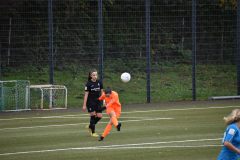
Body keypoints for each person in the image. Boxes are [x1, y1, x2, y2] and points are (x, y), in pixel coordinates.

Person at [82, 69, 103, 137]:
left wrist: (104, 101)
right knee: (93, 116)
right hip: (90, 102)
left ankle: (90, 125)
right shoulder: (88, 84)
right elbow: (86, 95)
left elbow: (102, 92)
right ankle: (93, 132)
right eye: (93, 75)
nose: (95, 76)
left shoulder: (99, 82)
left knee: (99, 116)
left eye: (96, 75)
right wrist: (84, 105)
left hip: (98, 101)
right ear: (91, 76)